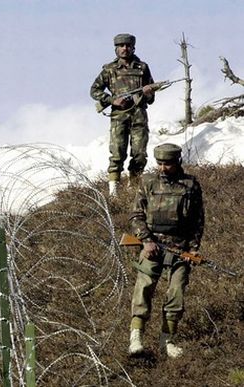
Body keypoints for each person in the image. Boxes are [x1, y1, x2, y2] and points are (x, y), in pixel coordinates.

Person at [127, 143, 205, 358]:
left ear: (177, 162)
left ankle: (167, 340)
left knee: (176, 293)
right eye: (159, 163)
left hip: (180, 249)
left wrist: (193, 249)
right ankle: (136, 338)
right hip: (152, 246)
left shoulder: (191, 185)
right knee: (143, 288)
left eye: (167, 164)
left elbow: (198, 221)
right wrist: (146, 240)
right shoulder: (148, 183)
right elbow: (136, 215)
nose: (163, 168)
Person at [90, 33, 157, 196]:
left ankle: (133, 188)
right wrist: (112, 100)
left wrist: (148, 92)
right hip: (119, 117)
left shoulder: (142, 68)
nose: (124, 49)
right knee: (117, 153)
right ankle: (114, 192)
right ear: (116, 49)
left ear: (133, 47)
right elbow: (94, 90)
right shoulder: (109, 69)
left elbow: (151, 98)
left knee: (139, 154)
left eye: (128, 46)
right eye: (121, 46)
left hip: (139, 116)